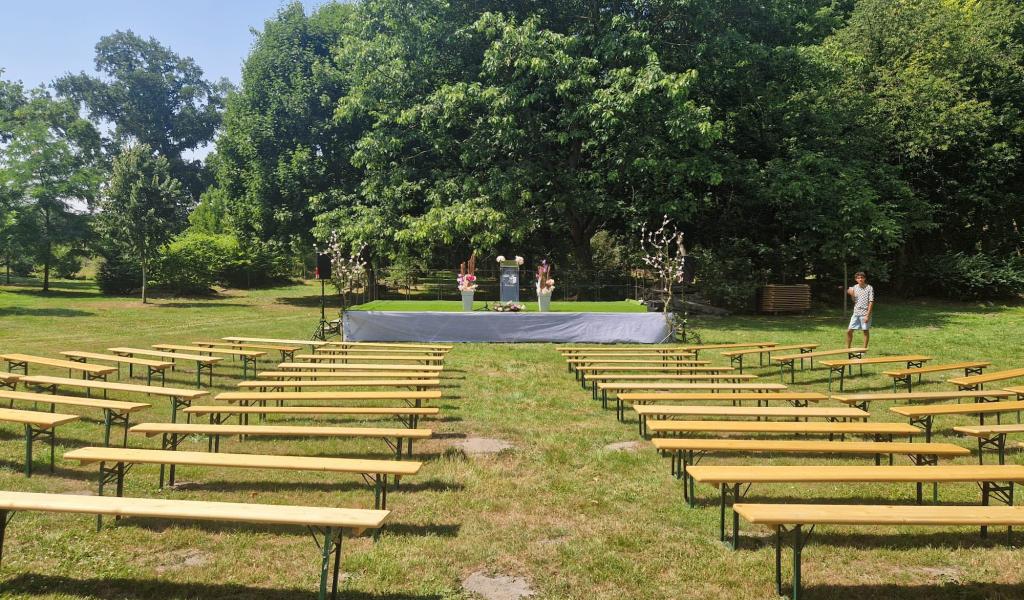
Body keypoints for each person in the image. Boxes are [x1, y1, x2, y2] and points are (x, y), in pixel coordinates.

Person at [846, 271, 874, 348]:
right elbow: (854, 300)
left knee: (865, 331)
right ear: (856, 279)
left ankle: (864, 349)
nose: (860, 279)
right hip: (856, 313)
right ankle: (848, 348)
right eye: (858, 278)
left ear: (864, 278)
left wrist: (867, 316)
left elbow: (871, 302)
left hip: (865, 313)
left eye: (862, 277)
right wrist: (851, 294)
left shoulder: (869, 288)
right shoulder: (854, 287)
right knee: (849, 331)